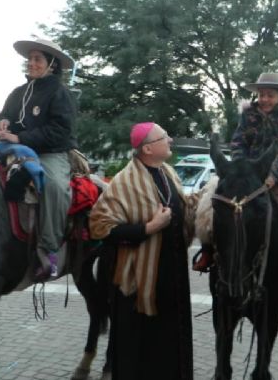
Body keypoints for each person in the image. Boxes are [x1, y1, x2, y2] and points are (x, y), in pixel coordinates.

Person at [90, 122, 194, 380]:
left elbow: (184, 209)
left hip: (173, 280)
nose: (169, 139)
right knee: (140, 353)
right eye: (163, 137)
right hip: (138, 285)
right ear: (147, 148)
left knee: (171, 345)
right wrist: (148, 228)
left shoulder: (168, 171)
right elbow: (100, 226)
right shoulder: (124, 181)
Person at [192, 72, 278, 272]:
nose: (264, 99)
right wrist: (241, 169)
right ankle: (208, 250)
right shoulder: (248, 113)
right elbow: (238, 141)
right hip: (245, 169)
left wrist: (274, 174)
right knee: (209, 201)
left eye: (270, 95)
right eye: (261, 94)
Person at [0, 38, 76, 279]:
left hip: (50, 154)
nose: (31, 63)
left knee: (54, 187)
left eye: (37, 59)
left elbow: (61, 131)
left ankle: (50, 252)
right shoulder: (18, 92)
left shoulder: (61, 93)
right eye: (30, 59)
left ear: (52, 64)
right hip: (12, 152)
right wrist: (1, 122)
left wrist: (21, 138)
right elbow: (1, 116)